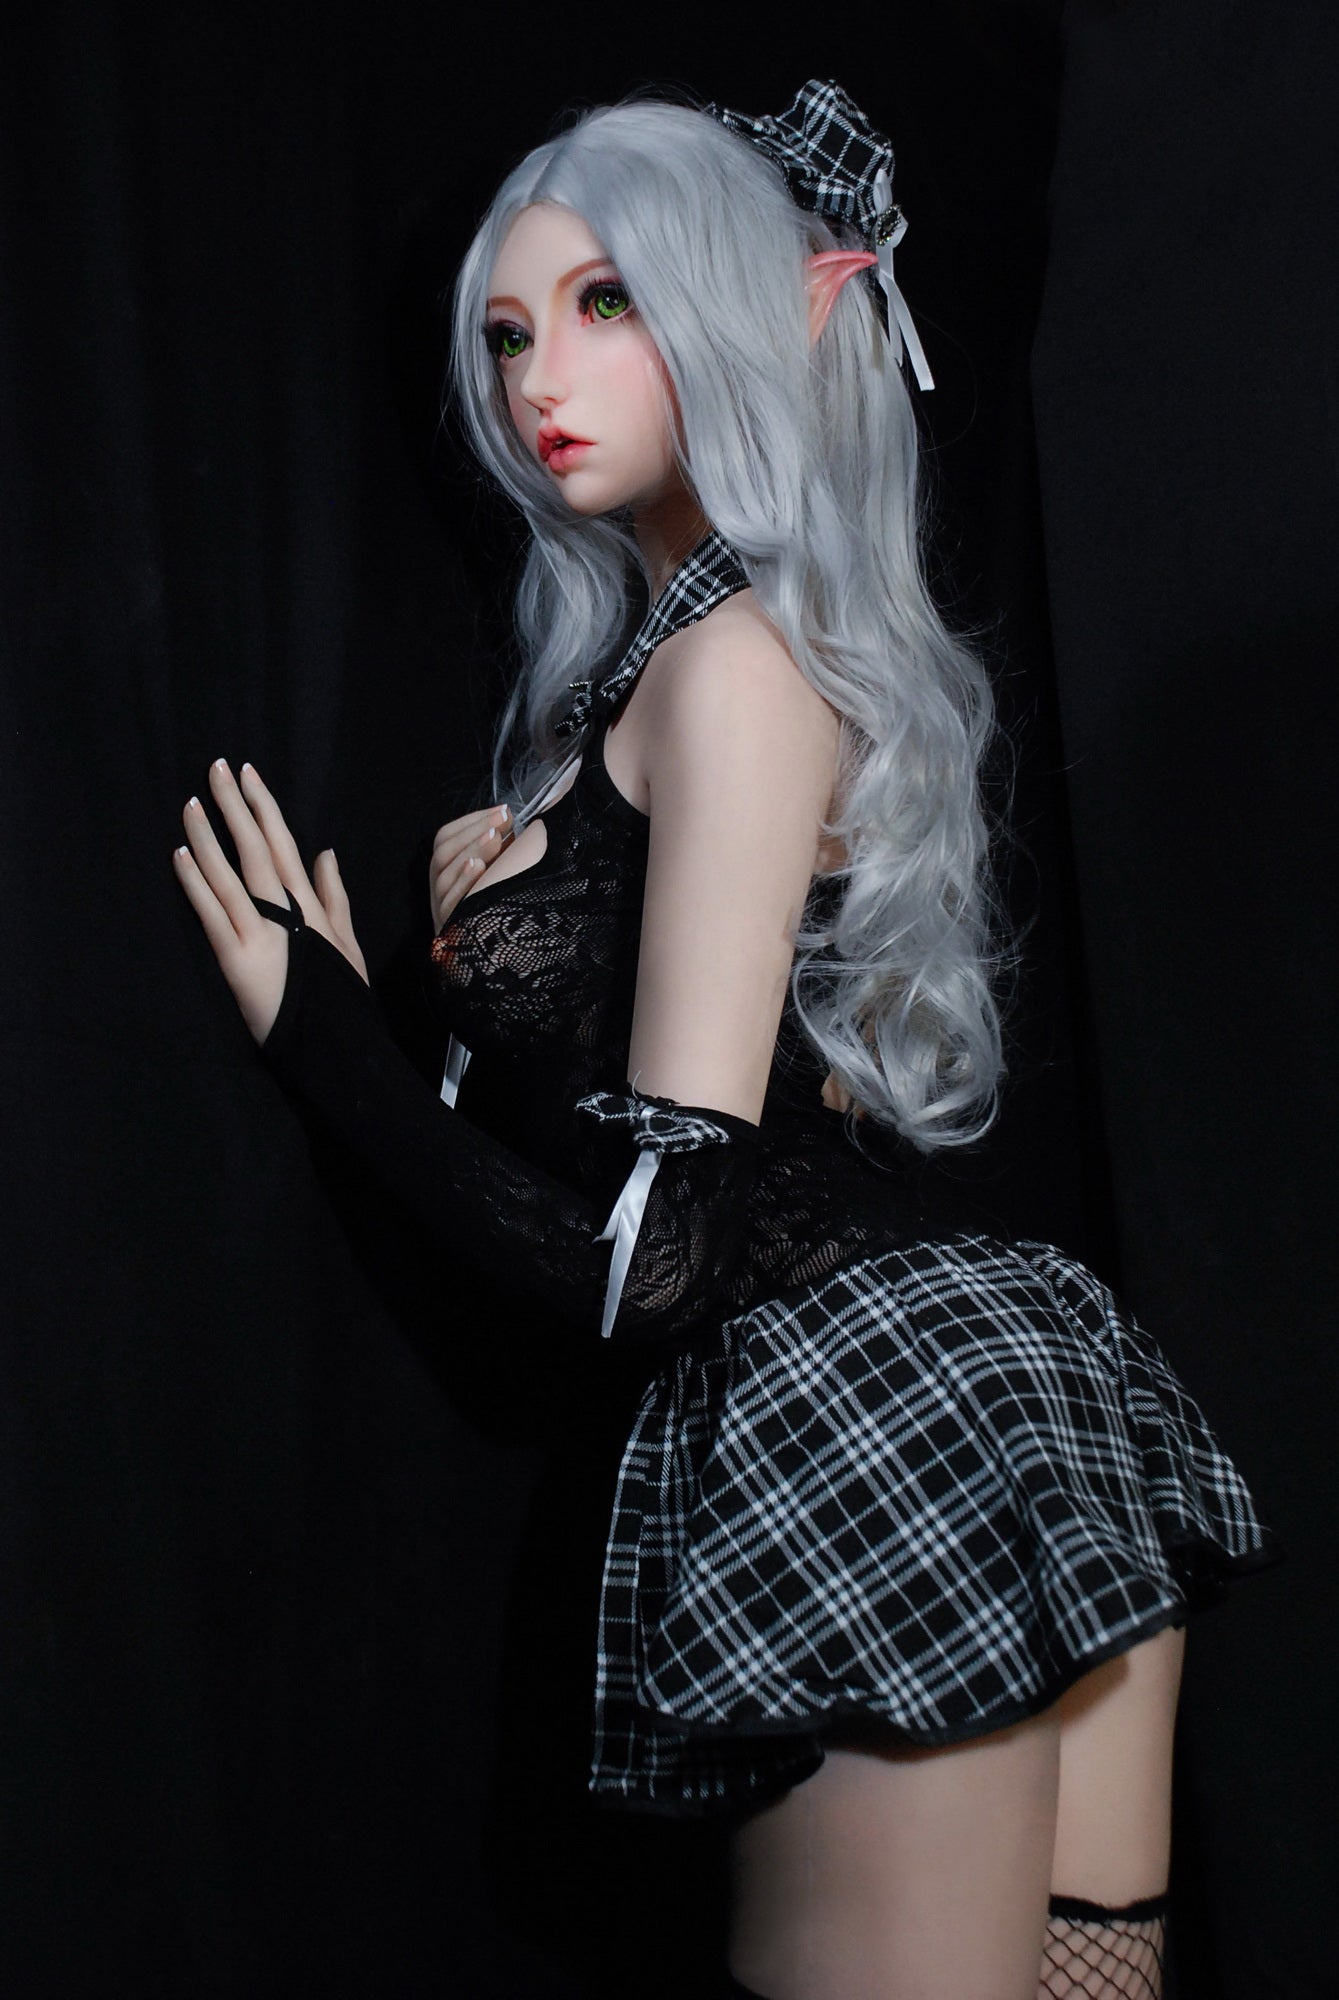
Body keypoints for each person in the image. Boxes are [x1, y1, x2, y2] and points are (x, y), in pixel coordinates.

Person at [171, 81, 1280, 2000]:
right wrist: (440, 1008)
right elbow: (571, 1270)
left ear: (733, 318)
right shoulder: (658, 667)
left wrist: (327, 1040)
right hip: (976, 1407)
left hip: (874, 1431)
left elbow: (663, 1259)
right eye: (506, 334)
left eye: (604, 305)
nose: (540, 379)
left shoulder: (737, 663)